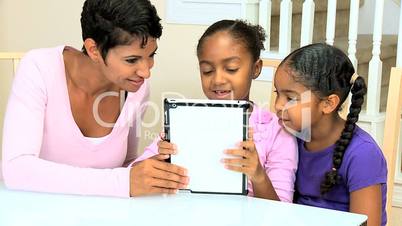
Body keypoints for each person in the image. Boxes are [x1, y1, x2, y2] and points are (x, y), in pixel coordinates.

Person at [2, 0, 188, 197]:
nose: (145, 71)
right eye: (132, 60)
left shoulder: (135, 88)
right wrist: (123, 182)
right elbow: (17, 169)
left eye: (151, 55)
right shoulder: (39, 68)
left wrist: (152, 163)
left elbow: (126, 167)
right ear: (93, 49)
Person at [141, 20, 298, 202]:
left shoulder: (276, 131)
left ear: (255, 69)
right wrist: (160, 159)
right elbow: (137, 171)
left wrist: (258, 175)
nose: (217, 80)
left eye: (231, 69)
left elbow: (282, 209)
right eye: (207, 71)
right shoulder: (186, 121)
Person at [273, 43, 387, 226]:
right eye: (277, 93)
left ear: (328, 104)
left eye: (290, 98)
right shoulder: (287, 138)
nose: (278, 105)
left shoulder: (363, 154)